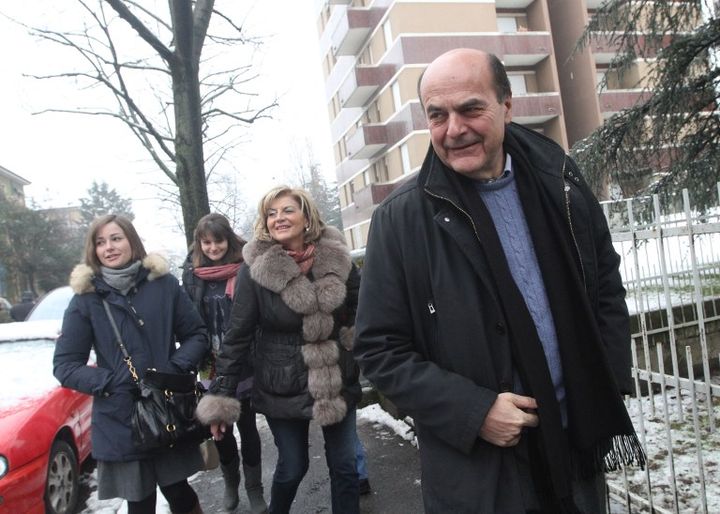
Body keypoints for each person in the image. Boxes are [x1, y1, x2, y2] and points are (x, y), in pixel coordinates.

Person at [353, 48, 645, 513]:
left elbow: (605, 287)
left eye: (471, 108)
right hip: (480, 477)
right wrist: (474, 412)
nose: (454, 129)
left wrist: (604, 378)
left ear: (506, 107)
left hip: (576, 448)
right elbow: (378, 348)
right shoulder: (400, 219)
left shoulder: (560, 181)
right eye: (438, 115)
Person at [197, 186, 361, 514]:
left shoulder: (337, 258)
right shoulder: (255, 270)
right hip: (281, 381)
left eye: (287, 210)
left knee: (344, 467)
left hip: (334, 379)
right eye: (271, 213)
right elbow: (237, 335)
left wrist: (352, 345)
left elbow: (362, 310)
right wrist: (221, 397)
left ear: (307, 216)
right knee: (293, 466)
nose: (278, 218)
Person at [53, 214, 209, 514]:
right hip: (120, 419)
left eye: (116, 238)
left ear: (131, 241)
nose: (109, 247)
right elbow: (65, 365)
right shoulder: (86, 299)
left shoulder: (163, 285)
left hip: (167, 410)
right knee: (140, 502)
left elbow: (196, 335)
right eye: (100, 242)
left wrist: (174, 369)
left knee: (181, 494)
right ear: (93, 250)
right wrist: (111, 382)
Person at [182, 213, 268, 513]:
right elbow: (188, 318)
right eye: (206, 242)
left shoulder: (245, 268)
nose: (213, 248)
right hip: (210, 364)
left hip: (245, 359)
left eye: (218, 241)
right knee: (219, 429)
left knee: (247, 425)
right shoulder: (192, 274)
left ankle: (254, 488)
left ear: (227, 239)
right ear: (199, 243)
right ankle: (231, 482)